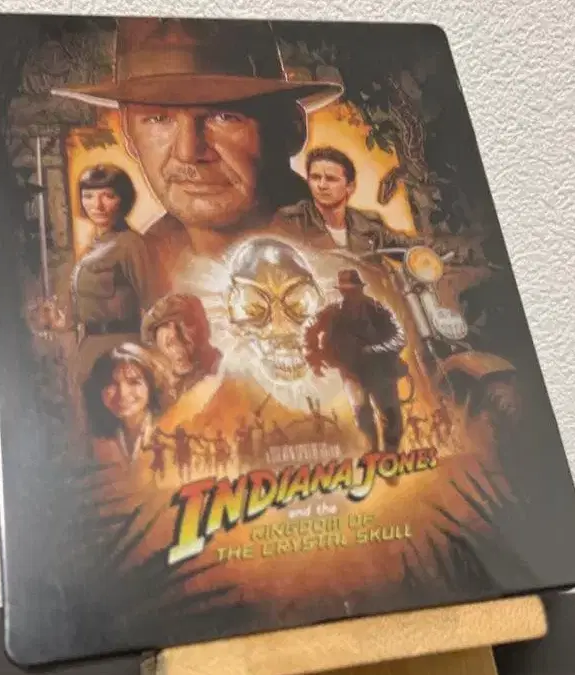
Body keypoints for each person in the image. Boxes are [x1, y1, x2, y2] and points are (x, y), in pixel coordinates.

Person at [52, 18, 342, 295]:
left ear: (290, 128)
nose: (188, 152)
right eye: (158, 119)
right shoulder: (136, 269)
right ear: (129, 135)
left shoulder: (344, 263)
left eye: (224, 116)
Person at [304, 269, 407, 453]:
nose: (349, 294)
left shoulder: (377, 310)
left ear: (360, 289)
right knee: (362, 416)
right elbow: (309, 328)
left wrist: (374, 351)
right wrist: (313, 355)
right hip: (352, 372)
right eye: (345, 290)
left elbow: (400, 338)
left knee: (392, 417)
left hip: (380, 371)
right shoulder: (333, 312)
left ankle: (391, 454)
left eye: (352, 290)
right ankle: (373, 451)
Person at [69, 164, 154, 386]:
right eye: (88, 196)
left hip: (120, 348)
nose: (96, 205)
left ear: (123, 199)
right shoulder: (93, 247)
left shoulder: (130, 244)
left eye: (108, 196)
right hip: (89, 347)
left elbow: (152, 302)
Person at [275, 146, 424, 253]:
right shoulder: (292, 221)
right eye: (315, 177)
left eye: (331, 179)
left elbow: (404, 245)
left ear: (350, 187)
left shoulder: (367, 225)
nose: (322, 185)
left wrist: (432, 246)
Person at [82, 343, 162, 465]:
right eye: (112, 383)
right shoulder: (95, 440)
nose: (123, 393)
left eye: (133, 382)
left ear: (150, 385)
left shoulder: (167, 430)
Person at [141, 293, 222, 407]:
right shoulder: (164, 389)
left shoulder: (221, 373)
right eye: (169, 344)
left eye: (184, 341)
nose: (178, 350)